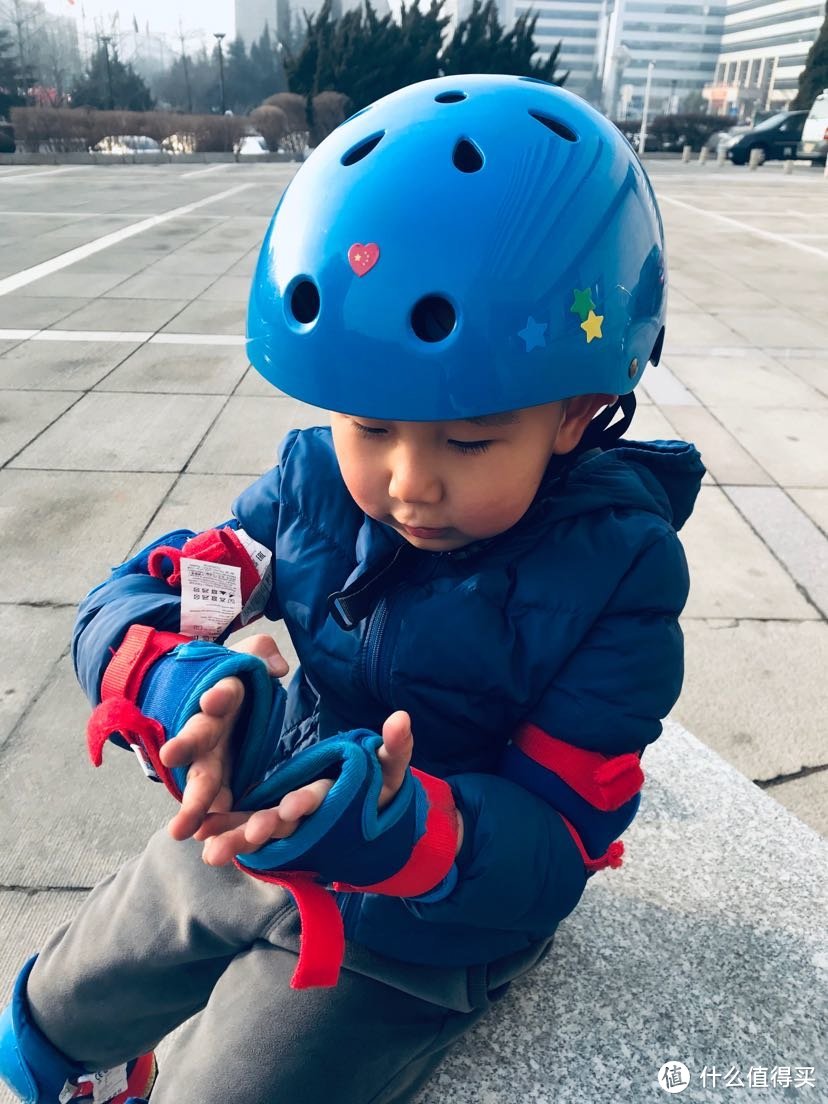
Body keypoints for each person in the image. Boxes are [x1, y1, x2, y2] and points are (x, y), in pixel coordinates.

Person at [0, 74, 704, 1104]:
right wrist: (177, 685)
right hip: (268, 809)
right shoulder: (312, 492)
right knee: (59, 1003)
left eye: (469, 438)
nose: (410, 483)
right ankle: (81, 1066)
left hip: (428, 906)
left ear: (577, 412)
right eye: (371, 425)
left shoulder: (620, 576)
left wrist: (406, 832)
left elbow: (559, 843)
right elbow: (147, 593)